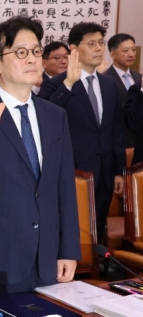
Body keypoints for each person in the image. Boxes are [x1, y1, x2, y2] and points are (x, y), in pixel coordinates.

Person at [0, 16, 80, 298]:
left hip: (46, 258)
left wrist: (68, 249)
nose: (32, 58)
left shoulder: (55, 116)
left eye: (35, 51)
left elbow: (64, 187)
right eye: (20, 52)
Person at [38, 22, 125, 243]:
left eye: (101, 43)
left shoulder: (108, 84)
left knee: (98, 230)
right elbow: (43, 119)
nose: (99, 48)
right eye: (92, 44)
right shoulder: (58, 84)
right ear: (74, 49)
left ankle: (99, 271)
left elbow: (116, 130)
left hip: (105, 173)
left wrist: (118, 171)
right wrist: (68, 84)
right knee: (70, 231)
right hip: (72, 172)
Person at [104, 34, 141, 148]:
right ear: (112, 54)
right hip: (119, 141)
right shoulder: (105, 79)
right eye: (125, 50)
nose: (131, 54)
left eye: (133, 50)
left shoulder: (139, 77)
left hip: (139, 140)